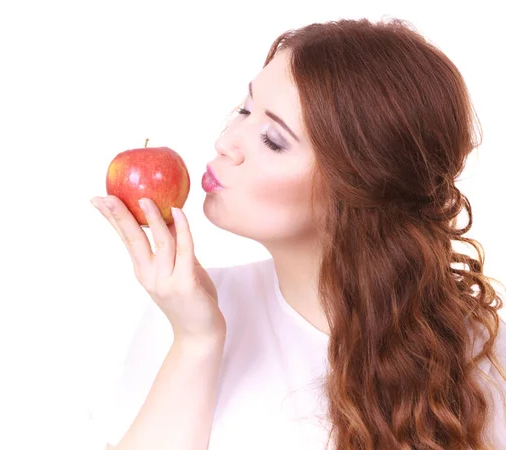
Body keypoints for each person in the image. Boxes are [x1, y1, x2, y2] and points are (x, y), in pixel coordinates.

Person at [90, 17, 506, 450]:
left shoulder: (480, 355)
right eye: (245, 110)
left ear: (357, 185)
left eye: (272, 139)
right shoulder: (188, 309)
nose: (227, 142)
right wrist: (197, 340)